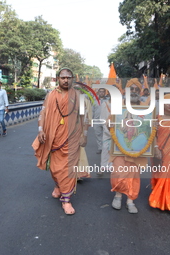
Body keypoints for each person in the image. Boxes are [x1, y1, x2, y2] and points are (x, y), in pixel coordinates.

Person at [32, 68, 87, 215]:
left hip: (72, 137)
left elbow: (84, 117)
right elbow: (43, 113)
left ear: (72, 79)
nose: (66, 80)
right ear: (58, 79)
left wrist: (84, 134)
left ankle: (66, 200)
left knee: (67, 168)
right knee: (55, 168)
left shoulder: (78, 96)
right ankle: (58, 185)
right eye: (63, 78)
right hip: (53, 137)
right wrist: (40, 129)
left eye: (69, 78)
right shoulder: (51, 95)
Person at [110, 78, 148, 214]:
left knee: (133, 174)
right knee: (119, 172)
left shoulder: (146, 107)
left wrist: (153, 124)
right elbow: (109, 122)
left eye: (136, 89)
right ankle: (118, 195)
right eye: (130, 89)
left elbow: (150, 124)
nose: (133, 91)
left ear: (140, 91)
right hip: (120, 146)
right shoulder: (118, 106)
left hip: (137, 147)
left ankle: (130, 200)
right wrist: (112, 124)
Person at [93, 88, 107, 154]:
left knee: (106, 134)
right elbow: (92, 110)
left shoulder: (108, 101)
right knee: (98, 134)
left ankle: (105, 148)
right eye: (100, 92)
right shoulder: (94, 100)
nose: (101, 93)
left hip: (105, 120)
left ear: (105, 93)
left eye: (103, 92)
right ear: (98, 93)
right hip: (96, 119)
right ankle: (100, 148)